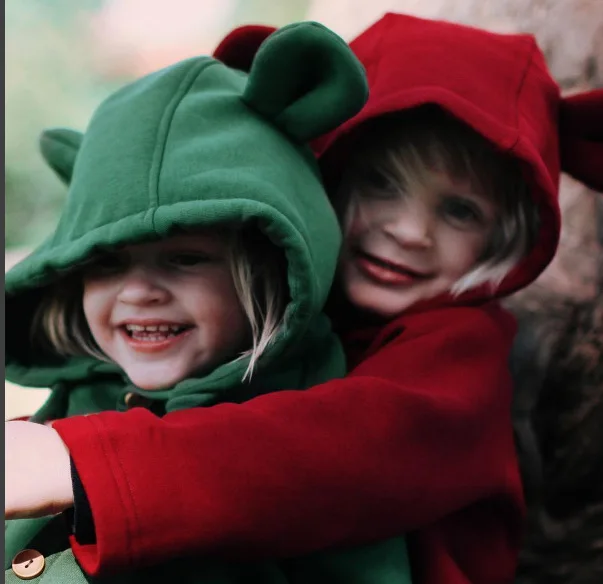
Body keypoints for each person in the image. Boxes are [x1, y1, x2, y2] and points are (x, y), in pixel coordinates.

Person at [5, 13, 603, 584]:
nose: (409, 231)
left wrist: (81, 464)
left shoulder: (461, 355)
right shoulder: (274, 309)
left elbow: (332, 455)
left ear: (504, 239)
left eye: (460, 211)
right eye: (380, 183)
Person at [4, 21, 406, 584]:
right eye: (106, 263)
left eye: (185, 259)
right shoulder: (74, 397)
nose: (138, 291)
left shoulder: (312, 434)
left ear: (273, 271)